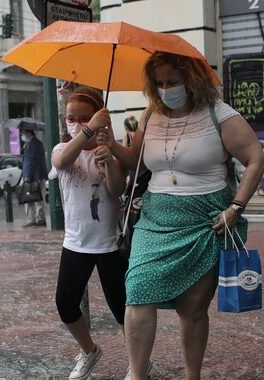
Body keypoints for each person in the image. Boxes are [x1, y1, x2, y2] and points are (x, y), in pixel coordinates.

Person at [105, 52, 264, 380]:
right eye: (159, 83)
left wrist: (236, 206)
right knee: (137, 292)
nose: (165, 89)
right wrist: (110, 143)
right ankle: (137, 374)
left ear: (192, 81)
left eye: (173, 82)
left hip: (204, 221)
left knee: (191, 310)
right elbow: (137, 161)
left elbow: (255, 158)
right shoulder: (151, 115)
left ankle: (192, 375)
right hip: (155, 219)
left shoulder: (220, 114)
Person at [50, 86, 128, 380]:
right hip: (76, 244)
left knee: (123, 309)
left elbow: (117, 190)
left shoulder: (108, 150)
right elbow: (60, 162)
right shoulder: (62, 149)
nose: (77, 123)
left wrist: (107, 159)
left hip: (109, 245)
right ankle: (89, 350)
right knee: (65, 303)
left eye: (85, 117)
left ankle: (137, 357)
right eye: (72, 118)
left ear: (100, 117)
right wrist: (89, 129)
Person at [20, 126, 48, 227]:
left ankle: (33, 219)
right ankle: (39, 218)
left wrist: (27, 176)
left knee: (30, 198)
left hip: (33, 176)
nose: (21, 135)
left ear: (29, 133)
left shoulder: (32, 144)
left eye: (23, 132)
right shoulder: (36, 143)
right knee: (38, 198)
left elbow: (30, 162)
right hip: (39, 175)